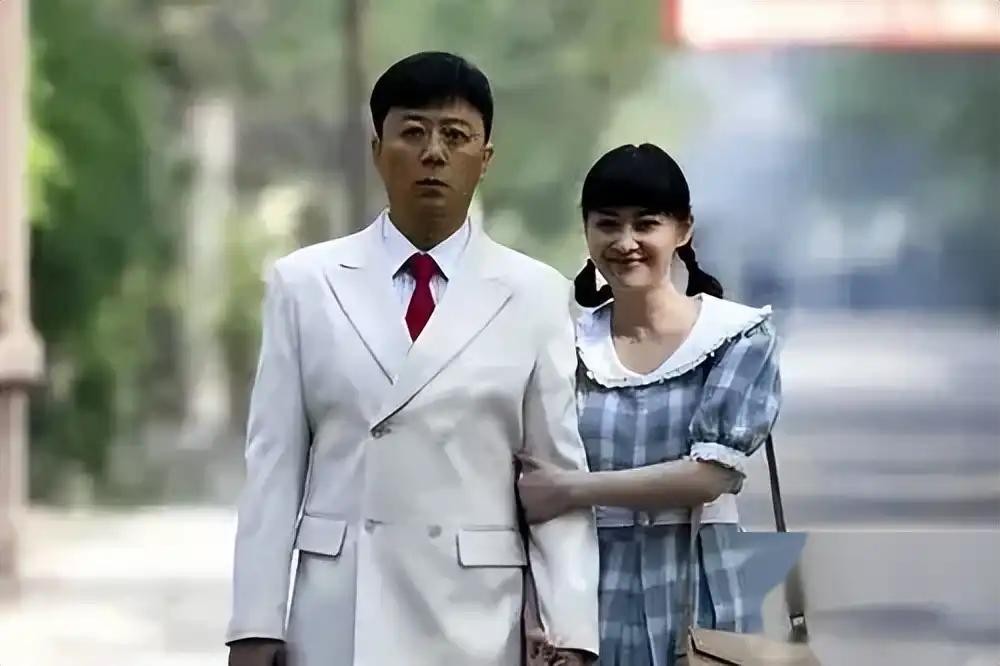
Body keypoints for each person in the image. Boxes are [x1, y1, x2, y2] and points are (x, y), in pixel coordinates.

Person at [225, 52, 599, 666]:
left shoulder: (534, 294)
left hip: (476, 617)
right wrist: (254, 624)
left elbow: (555, 478)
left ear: (485, 158)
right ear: (378, 149)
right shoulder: (305, 284)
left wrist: (572, 630)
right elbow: (273, 470)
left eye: (455, 136)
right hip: (343, 611)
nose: (434, 153)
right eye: (413, 132)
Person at [517, 144, 781, 666]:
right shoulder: (564, 342)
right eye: (607, 224)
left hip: (702, 597)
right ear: (586, 230)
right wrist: (534, 611)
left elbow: (710, 475)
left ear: (683, 230)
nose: (625, 242)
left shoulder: (736, 336)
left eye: (646, 224)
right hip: (586, 602)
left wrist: (570, 490)